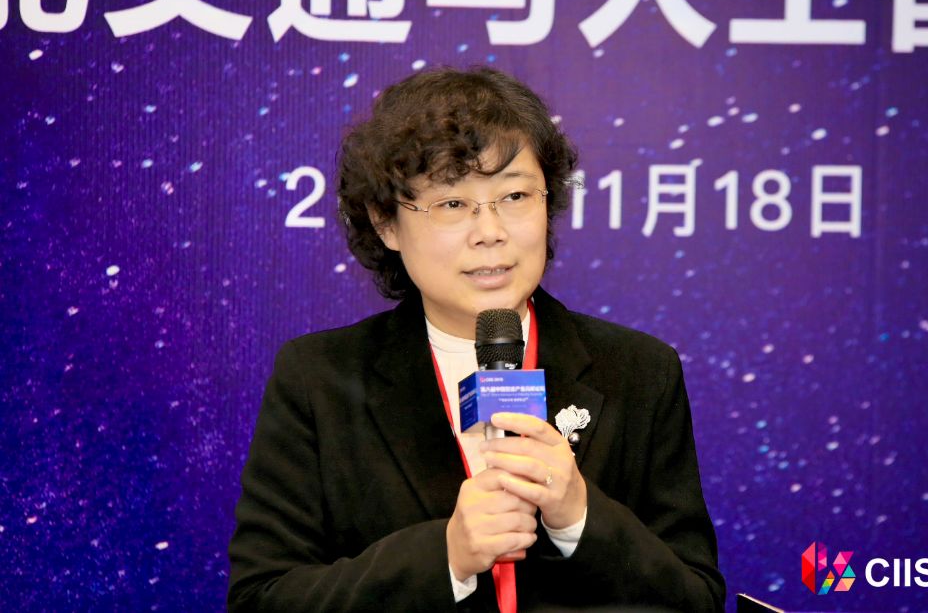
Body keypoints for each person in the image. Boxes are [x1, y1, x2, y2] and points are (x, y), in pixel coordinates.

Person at [228, 67, 725, 612]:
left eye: (515, 195)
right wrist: (446, 557)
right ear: (386, 223)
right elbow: (262, 598)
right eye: (452, 204)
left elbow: (696, 599)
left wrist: (580, 517)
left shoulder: (638, 371)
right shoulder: (318, 379)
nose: (491, 232)